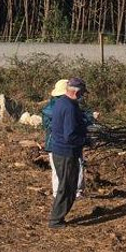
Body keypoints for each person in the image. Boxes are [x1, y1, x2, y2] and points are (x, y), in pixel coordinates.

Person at [42, 79, 98, 198]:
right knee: (69, 168)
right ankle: (68, 193)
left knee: (63, 170)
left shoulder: (56, 106)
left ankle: (63, 193)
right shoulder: (62, 106)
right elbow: (71, 122)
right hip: (61, 143)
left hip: (57, 142)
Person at [48, 78, 90, 228]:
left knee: (66, 185)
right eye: (82, 93)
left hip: (60, 151)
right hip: (66, 152)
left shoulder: (61, 102)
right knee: (67, 187)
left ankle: (57, 218)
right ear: (77, 92)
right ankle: (56, 220)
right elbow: (70, 135)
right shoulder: (70, 108)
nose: (83, 96)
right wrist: (85, 140)